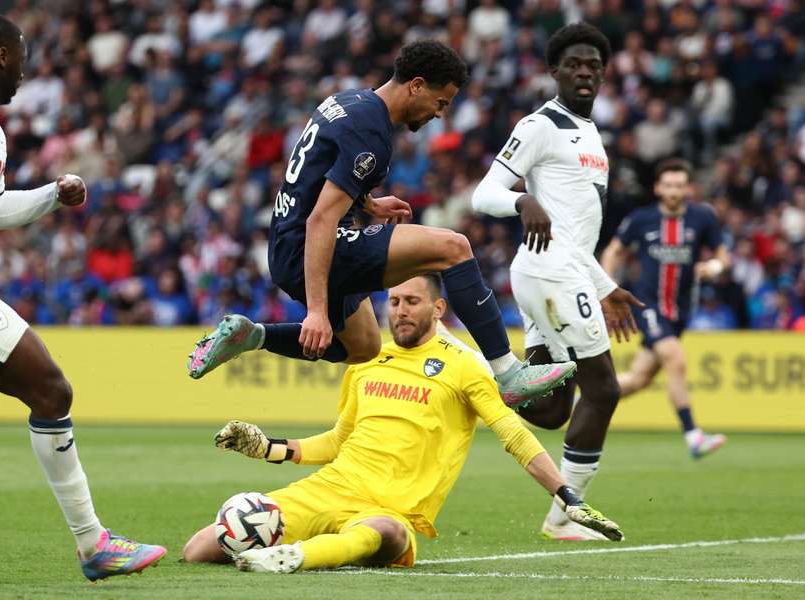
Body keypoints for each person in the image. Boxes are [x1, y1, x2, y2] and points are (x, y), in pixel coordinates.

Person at [0, 13, 165, 580]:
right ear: (1, 55)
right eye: (22, 58)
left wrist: (52, 195)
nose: (26, 72)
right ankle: (94, 544)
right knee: (51, 388)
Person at [187, 40, 576, 408]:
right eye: (440, 102)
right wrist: (317, 312)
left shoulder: (348, 100)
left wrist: (367, 202)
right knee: (453, 247)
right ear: (417, 85)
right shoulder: (371, 133)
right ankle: (509, 374)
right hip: (313, 244)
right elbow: (322, 217)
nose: (439, 113)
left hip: (287, 242)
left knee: (363, 347)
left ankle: (250, 335)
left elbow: (318, 174)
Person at [182, 275, 623, 573]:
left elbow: (513, 434)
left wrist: (566, 495)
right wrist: (268, 448)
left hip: (389, 510)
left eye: (411, 302)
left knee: (386, 535)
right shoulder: (366, 361)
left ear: (438, 308)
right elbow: (338, 441)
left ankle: (295, 557)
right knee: (198, 549)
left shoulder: (466, 366)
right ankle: (286, 552)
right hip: (329, 489)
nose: (400, 311)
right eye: (393, 302)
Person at [471, 23, 643, 541]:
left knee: (549, 408)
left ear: (604, 72)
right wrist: (522, 200)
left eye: (594, 64)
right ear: (555, 71)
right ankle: (565, 516)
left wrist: (607, 287)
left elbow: (575, 236)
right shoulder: (540, 124)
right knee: (605, 389)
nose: (585, 71)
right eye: (574, 64)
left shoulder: (591, 134)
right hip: (550, 273)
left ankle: (477, 371)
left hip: (559, 270)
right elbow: (484, 194)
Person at [600, 158, 728, 458]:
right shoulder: (641, 219)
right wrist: (608, 288)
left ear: (689, 189)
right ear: (658, 188)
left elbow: (723, 257)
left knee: (639, 379)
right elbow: (614, 251)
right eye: (668, 185)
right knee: (676, 359)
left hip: (679, 312)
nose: (674, 191)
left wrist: (715, 266)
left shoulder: (703, 218)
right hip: (648, 306)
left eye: (679, 186)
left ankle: (585, 399)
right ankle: (693, 436)